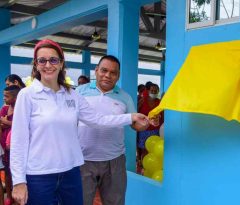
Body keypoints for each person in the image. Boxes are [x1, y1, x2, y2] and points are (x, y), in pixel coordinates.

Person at [10, 39, 150, 205]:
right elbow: (19, 141)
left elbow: (97, 120)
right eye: (42, 60)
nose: (48, 65)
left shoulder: (72, 95)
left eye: (53, 60)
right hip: (39, 175)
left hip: (71, 172)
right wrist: (19, 180)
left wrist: (131, 117)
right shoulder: (27, 95)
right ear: (36, 64)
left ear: (61, 63)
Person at [76, 55, 149, 205]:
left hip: (114, 162)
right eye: (104, 70)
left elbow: (134, 123)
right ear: (96, 71)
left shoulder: (125, 97)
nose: (107, 75)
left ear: (118, 76)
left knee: (115, 202)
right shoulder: (78, 92)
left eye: (113, 72)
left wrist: (144, 124)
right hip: (82, 160)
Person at [0, 85, 20, 205]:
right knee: (7, 173)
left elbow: (21, 125)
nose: (4, 98)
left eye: (6, 96)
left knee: (17, 172)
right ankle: (9, 196)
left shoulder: (21, 109)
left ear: (16, 98)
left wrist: (5, 122)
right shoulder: (5, 108)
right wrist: (9, 123)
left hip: (16, 147)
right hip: (5, 147)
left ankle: (19, 198)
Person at [137, 83, 163, 173]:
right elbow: (136, 113)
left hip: (156, 130)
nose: (154, 92)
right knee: (144, 149)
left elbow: (162, 116)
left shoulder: (159, 102)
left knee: (153, 151)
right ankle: (144, 167)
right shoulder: (142, 101)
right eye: (152, 90)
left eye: (156, 91)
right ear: (148, 91)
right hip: (144, 130)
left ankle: (152, 167)